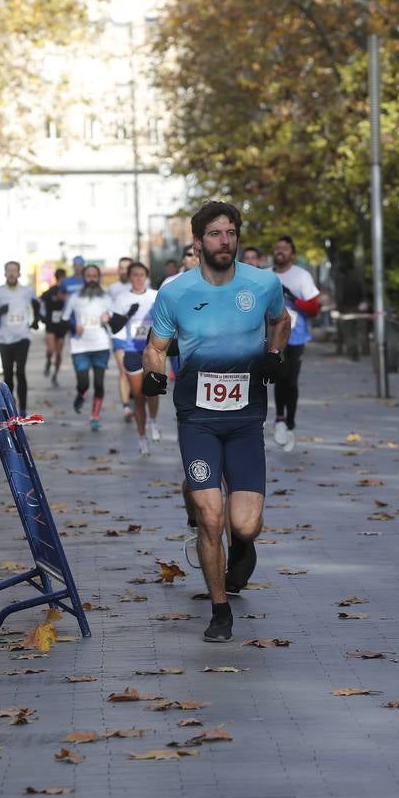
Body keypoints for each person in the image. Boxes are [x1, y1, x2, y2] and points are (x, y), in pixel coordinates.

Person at [142, 200, 289, 642]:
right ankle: (219, 610)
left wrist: (273, 354)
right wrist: (152, 372)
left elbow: (281, 321)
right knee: (210, 517)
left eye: (230, 233)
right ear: (198, 242)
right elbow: (157, 346)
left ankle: (243, 546)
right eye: (215, 234)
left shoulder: (264, 284)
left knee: (243, 523)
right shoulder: (175, 292)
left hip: (245, 417)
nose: (224, 241)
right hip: (197, 417)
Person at [268, 236, 321, 452]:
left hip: (296, 335)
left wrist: (292, 297)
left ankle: (290, 423)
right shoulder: (266, 276)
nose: (280, 251)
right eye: (277, 247)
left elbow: (314, 309)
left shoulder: (302, 276)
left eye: (285, 248)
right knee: (278, 376)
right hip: (273, 334)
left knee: (291, 380)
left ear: (293, 254)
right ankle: (279, 419)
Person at [112, 261, 160, 455]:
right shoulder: (121, 299)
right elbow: (114, 327)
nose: (138, 279)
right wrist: (128, 314)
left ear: (146, 277)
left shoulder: (156, 296)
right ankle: (142, 438)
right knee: (139, 397)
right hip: (132, 350)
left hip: (153, 350)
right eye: (135, 275)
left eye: (142, 275)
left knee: (153, 392)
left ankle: (154, 422)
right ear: (129, 277)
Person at [0, 260, 38, 414]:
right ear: (5, 273)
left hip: (23, 336)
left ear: (19, 273)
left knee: (20, 371)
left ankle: (23, 410)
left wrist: (36, 321)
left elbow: (36, 303)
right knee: (8, 375)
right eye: (9, 270)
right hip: (4, 338)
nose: (12, 273)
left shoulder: (27, 291)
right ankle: (11, 410)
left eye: (14, 270)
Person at [62, 263, 115, 430]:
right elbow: (64, 318)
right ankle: (81, 393)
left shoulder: (106, 298)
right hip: (80, 346)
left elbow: (114, 319)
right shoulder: (74, 297)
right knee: (83, 382)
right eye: (88, 276)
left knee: (99, 384)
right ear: (83, 278)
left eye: (94, 276)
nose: (92, 279)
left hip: (101, 344)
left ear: (98, 278)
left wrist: (109, 318)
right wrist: (72, 326)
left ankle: (95, 416)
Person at [107, 257, 136, 422]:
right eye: (121, 268)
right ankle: (126, 406)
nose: (124, 271)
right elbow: (108, 311)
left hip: (138, 336)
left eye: (127, 268)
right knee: (124, 370)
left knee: (137, 372)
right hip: (119, 335)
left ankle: (133, 395)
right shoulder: (113, 289)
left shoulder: (143, 287)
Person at [39, 268, 71, 386]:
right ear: (58, 278)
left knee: (59, 354)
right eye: (62, 278)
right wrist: (41, 317)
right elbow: (39, 302)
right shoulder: (50, 291)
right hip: (51, 324)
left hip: (62, 325)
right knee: (51, 349)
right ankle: (48, 361)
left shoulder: (67, 292)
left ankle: (55, 375)